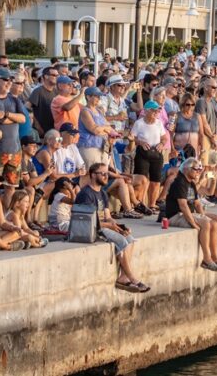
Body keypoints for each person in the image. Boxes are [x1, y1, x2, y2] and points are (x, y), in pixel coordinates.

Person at [76, 163, 149, 293]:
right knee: (121, 241)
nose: (106, 177)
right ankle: (132, 278)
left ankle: (123, 277)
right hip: (89, 228)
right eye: (102, 174)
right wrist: (110, 226)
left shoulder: (103, 194)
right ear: (93, 175)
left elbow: (107, 217)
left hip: (102, 225)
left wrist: (119, 226)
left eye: (107, 174)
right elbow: (88, 220)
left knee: (130, 238)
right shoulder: (85, 194)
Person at [28, 66, 59, 135]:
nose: (56, 77)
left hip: (54, 131)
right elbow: (27, 108)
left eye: (57, 75)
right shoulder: (38, 91)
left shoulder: (57, 92)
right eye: (54, 75)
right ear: (46, 76)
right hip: (42, 133)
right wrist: (37, 125)